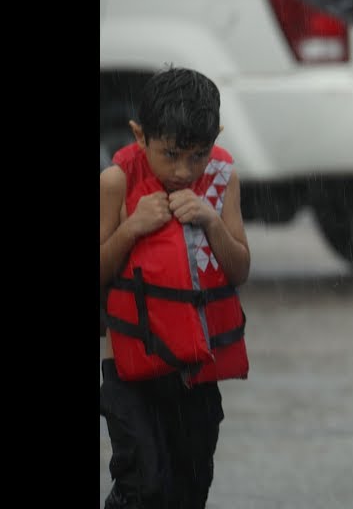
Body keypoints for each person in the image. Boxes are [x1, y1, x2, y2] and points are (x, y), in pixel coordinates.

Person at [99, 66, 252, 508]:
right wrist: (132, 228)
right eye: (170, 154)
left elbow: (239, 269)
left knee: (190, 486)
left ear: (215, 139)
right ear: (139, 135)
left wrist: (210, 221)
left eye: (198, 155)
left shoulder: (222, 179)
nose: (184, 171)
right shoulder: (116, 181)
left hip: (194, 373)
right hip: (130, 368)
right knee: (143, 483)